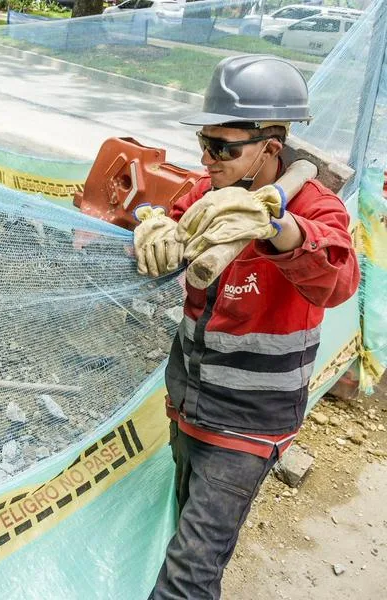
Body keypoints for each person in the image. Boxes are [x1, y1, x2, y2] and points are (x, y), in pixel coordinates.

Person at [133, 54, 360, 600]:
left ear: (270, 149)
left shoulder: (314, 207)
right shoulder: (209, 191)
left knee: (186, 577)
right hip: (189, 404)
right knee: (193, 539)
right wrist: (154, 222)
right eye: (205, 143)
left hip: (249, 427)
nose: (207, 158)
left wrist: (278, 229)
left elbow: (338, 280)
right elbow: (169, 209)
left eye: (223, 148)